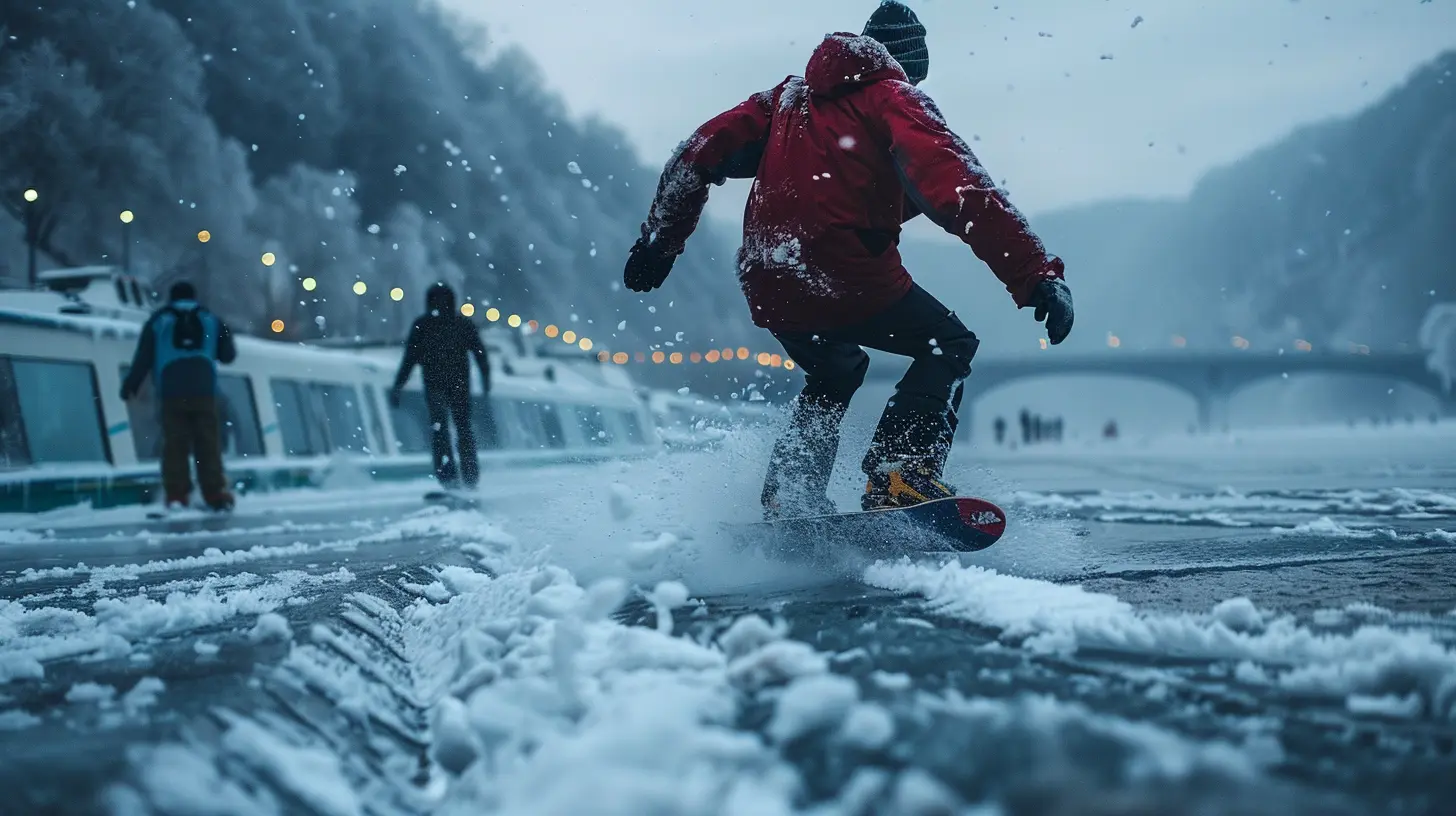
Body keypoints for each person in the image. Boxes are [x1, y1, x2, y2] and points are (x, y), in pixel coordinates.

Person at [624, 1, 1074, 518]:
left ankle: (791, 494)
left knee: (836, 370)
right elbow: (963, 190)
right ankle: (900, 472)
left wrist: (659, 241)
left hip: (768, 273)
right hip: (842, 270)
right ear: (907, 64)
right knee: (948, 344)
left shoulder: (785, 100)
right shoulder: (894, 99)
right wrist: (1035, 273)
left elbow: (696, 152)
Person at [121, 281, 238, 511]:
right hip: (204, 390)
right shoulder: (211, 319)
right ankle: (214, 492)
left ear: (171, 298)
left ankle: (177, 494)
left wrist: (130, 386)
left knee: (174, 443)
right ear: (194, 296)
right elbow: (228, 356)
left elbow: (143, 358)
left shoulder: (159, 321)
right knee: (208, 442)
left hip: (170, 390)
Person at [389, 283, 492, 490]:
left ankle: (448, 476)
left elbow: (409, 359)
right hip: (459, 384)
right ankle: (470, 475)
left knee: (440, 429)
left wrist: (398, 386)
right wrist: (485, 380)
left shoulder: (423, 325)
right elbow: (480, 354)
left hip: (435, 384)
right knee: (462, 428)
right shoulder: (463, 324)